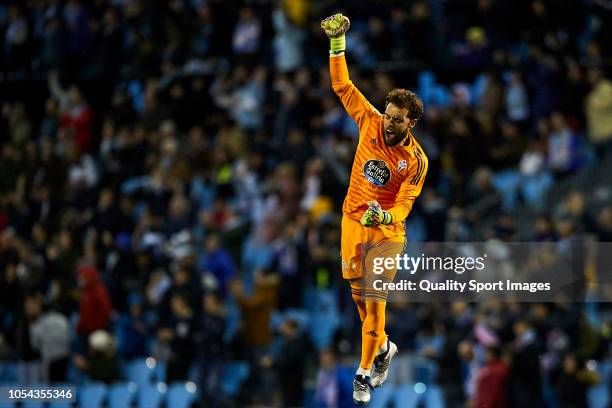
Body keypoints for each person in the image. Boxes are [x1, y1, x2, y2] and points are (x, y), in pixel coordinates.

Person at [321, 13, 428, 403]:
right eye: (387, 114)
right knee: (359, 301)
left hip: (385, 231)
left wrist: (383, 216)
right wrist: (337, 44)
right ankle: (383, 348)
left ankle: (363, 374)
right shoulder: (369, 121)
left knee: (374, 297)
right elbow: (342, 85)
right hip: (352, 220)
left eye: (397, 120)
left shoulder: (415, 160)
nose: (387, 123)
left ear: (411, 122)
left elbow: (403, 206)